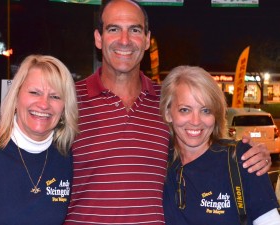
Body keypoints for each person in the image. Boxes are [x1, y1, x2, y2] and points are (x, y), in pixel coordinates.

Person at [64, 0, 271, 224]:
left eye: (134, 30)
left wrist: (249, 157)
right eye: (114, 29)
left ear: (146, 40)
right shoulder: (68, 100)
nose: (124, 40)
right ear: (98, 37)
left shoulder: (168, 101)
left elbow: (203, 143)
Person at [160, 65, 280, 225]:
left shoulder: (242, 159)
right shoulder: (159, 159)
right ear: (168, 113)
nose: (196, 121)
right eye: (185, 110)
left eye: (206, 111)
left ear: (216, 115)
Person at [0, 55, 79, 225]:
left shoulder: (67, 157)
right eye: (34, 92)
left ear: (64, 108)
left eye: (55, 96)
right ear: (16, 96)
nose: (44, 104)